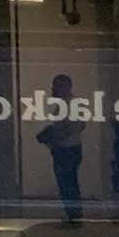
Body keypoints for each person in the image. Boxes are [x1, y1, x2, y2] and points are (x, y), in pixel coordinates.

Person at [35, 73, 85, 221]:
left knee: (67, 184)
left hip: (66, 150)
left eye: (55, 86)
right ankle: (73, 214)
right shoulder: (71, 104)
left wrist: (50, 137)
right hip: (71, 148)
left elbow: (68, 129)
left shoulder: (68, 105)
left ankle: (73, 215)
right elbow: (80, 125)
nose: (53, 90)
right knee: (69, 183)